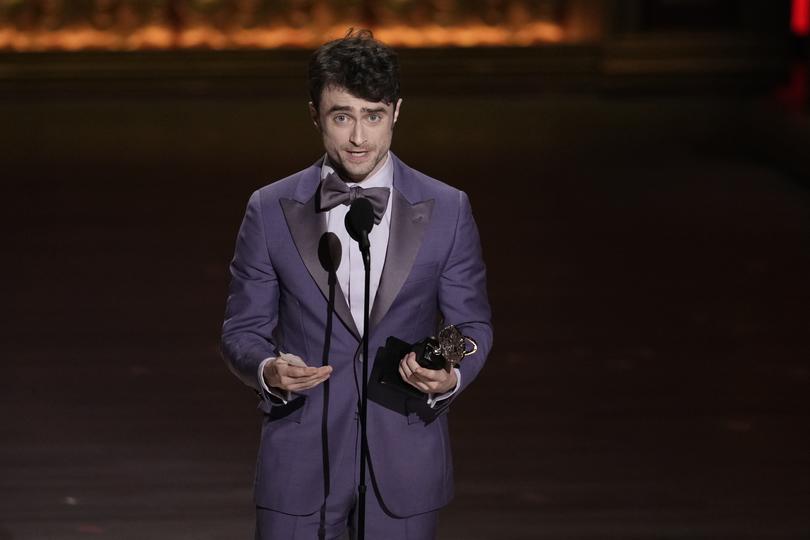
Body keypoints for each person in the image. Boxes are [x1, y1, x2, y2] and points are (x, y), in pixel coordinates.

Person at [221, 29, 492, 539]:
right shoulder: (269, 209)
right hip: (300, 462)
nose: (359, 138)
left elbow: (470, 323)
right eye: (342, 116)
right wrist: (267, 368)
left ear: (397, 112)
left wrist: (450, 373)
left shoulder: (448, 209)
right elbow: (242, 329)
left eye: (374, 116)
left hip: (404, 462)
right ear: (314, 115)